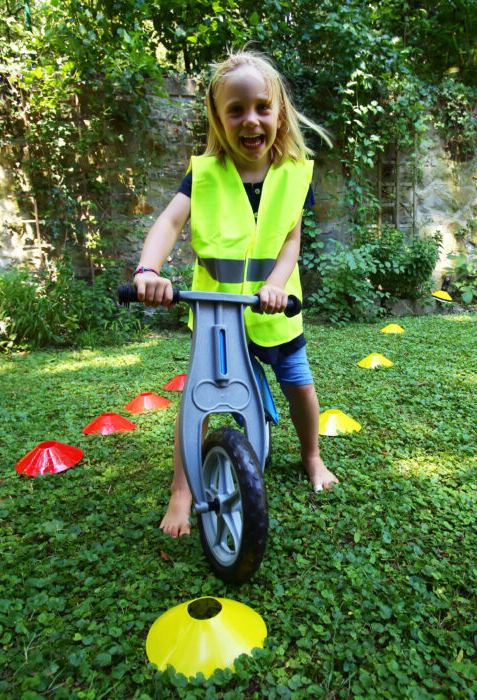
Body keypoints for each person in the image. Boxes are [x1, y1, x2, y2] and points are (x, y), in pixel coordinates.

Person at [133, 49, 339, 538]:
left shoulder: (293, 173)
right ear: (218, 118)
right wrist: (148, 269)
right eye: (236, 109)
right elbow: (169, 221)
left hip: (275, 310)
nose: (251, 120)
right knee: (198, 400)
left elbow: (292, 238)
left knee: (300, 386)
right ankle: (182, 489)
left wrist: (274, 285)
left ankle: (311, 456)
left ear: (279, 113)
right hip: (217, 316)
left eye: (262, 107)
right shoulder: (204, 175)